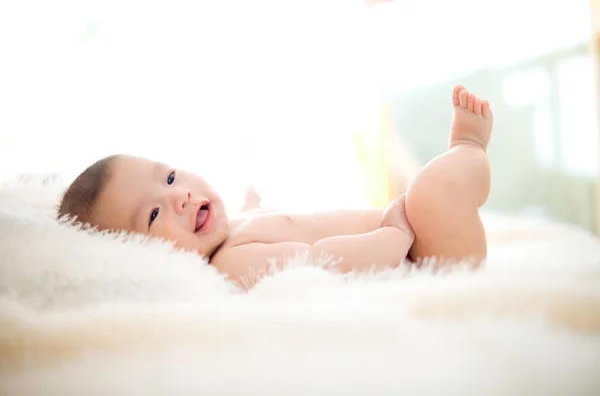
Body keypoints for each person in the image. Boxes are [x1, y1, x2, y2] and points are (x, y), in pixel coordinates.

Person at [58, 85, 493, 287]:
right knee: (430, 193)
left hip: (410, 240)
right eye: (153, 215)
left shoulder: (235, 232)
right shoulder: (228, 265)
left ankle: (462, 169)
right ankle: (469, 148)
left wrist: (253, 202)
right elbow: (321, 262)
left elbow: (275, 226)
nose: (179, 195)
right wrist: (395, 235)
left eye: (170, 177)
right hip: (423, 261)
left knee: (429, 195)